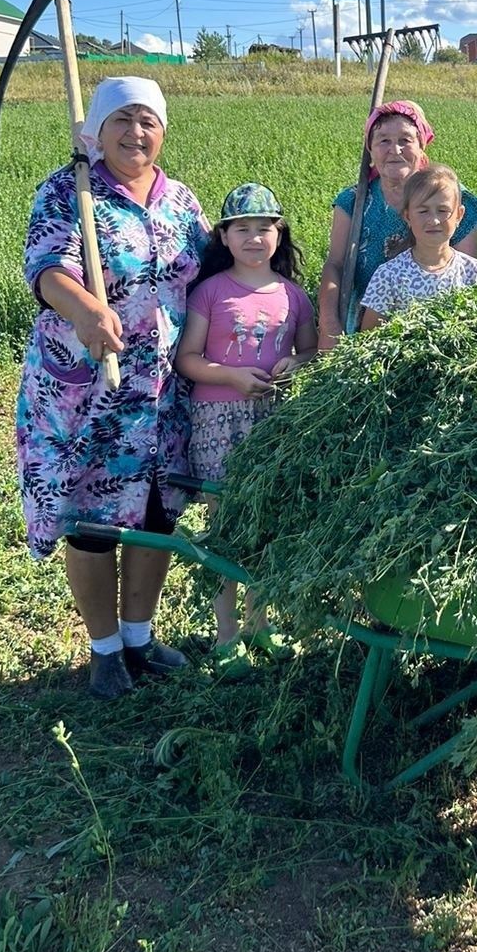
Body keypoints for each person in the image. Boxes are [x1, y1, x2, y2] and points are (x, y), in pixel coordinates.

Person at [18, 76, 209, 701]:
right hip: (88, 389)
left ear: (163, 131)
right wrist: (85, 310)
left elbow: (211, 271)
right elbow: (46, 269)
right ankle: (103, 651)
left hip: (162, 392)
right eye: (122, 120)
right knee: (92, 518)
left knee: (157, 514)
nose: (135, 133)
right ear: (97, 129)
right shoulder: (68, 189)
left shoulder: (180, 200)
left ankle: (138, 636)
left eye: (147, 121)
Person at [176, 184, 317, 672]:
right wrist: (232, 376)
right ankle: (225, 635)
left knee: (266, 523)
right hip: (220, 419)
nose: (255, 238)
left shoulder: (294, 296)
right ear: (225, 236)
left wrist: (295, 366)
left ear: (279, 235)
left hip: (273, 420)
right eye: (243, 229)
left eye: (265, 228)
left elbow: (309, 352)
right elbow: (187, 360)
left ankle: (260, 623)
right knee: (225, 524)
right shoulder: (210, 292)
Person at [316, 100, 477, 345]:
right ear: (370, 149)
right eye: (383, 140)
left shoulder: (454, 197)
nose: (394, 150)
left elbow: (464, 279)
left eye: (405, 140)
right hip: (367, 332)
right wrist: (329, 326)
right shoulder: (353, 201)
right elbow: (335, 264)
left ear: (422, 146)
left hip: (443, 335)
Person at [360, 165, 477, 326]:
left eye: (443, 210)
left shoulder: (474, 273)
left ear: (459, 215)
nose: (434, 220)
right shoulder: (389, 276)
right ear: (407, 216)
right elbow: (369, 338)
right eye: (423, 211)